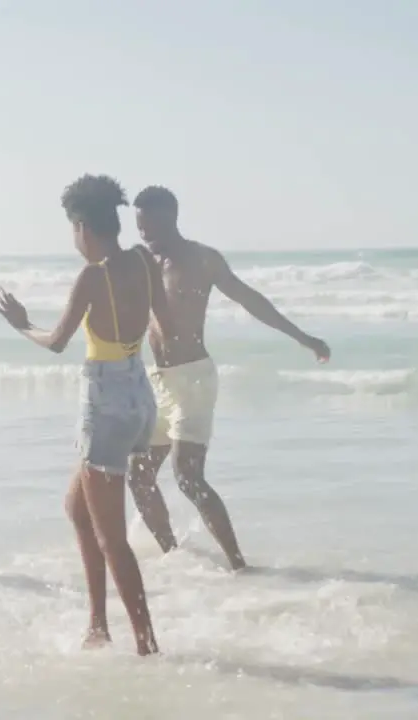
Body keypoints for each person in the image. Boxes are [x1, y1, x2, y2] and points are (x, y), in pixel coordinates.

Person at [0, 174, 175, 656]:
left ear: (82, 228)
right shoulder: (143, 260)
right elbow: (166, 325)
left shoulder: (94, 276)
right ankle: (98, 624)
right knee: (78, 508)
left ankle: (146, 644)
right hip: (140, 394)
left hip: (106, 404)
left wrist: (21, 324)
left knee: (113, 539)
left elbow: (55, 343)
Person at [126, 186, 331, 571]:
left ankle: (238, 565)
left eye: (149, 226)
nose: (144, 235)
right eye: (139, 228)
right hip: (156, 380)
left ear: (171, 217)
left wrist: (303, 338)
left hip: (194, 380)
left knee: (187, 476)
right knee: (138, 476)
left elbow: (249, 299)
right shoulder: (141, 263)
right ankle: (174, 556)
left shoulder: (202, 259)